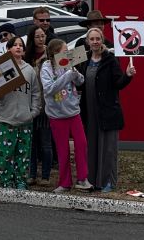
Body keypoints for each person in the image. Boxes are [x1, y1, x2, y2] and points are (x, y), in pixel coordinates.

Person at [76, 28, 135, 192]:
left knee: (108, 148)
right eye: (92, 39)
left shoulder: (110, 59)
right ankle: (92, 179)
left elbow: (118, 83)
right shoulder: (84, 59)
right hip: (89, 111)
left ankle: (108, 181)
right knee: (92, 146)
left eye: (98, 38)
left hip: (107, 111)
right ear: (87, 41)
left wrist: (128, 75)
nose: (95, 42)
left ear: (102, 40)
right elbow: (80, 82)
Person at [40, 38, 91, 193]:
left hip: (73, 111)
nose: (67, 53)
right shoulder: (46, 67)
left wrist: (75, 74)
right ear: (56, 53)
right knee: (63, 150)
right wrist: (67, 76)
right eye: (64, 50)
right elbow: (49, 89)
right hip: (57, 115)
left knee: (81, 144)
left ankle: (83, 179)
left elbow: (81, 81)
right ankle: (64, 182)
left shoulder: (68, 63)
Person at [0, 35, 41, 190]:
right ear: (8, 49)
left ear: (24, 51)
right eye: (15, 45)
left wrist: (33, 112)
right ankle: (5, 179)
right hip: (7, 118)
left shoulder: (30, 71)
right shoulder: (1, 69)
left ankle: (20, 179)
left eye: (21, 45)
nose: (18, 47)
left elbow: (36, 93)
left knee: (23, 154)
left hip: (25, 119)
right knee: (6, 153)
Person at [23, 24, 53, 185]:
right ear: (32, 39)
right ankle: (32, 174)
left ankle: (46, 176)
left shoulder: (51, 54)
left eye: (43, 36)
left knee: (46, 143)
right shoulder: (27, 57)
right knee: (32, 143)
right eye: (38, 36)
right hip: (29, 104)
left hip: (47, 105)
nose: (41, 39)